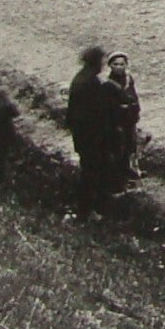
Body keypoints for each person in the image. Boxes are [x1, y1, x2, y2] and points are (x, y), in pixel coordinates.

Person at [67, 45, 119, 214]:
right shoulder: (90, 83)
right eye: (102, 62)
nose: (103, 65)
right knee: (94, 173)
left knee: (90, 171)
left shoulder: (82, 79)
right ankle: (91, 210)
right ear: (96, 62)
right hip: (92, 137)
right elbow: (98, 113)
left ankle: (89, 209)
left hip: (84, 137)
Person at [105, 51, 142, 182]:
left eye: (122, 64)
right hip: (116, 121)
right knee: (118, 147)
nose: (119, 67)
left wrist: (135, 110)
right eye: (116, 64)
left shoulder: (128, 79)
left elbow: (134, 96)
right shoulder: (108, 84)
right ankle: (119, 175)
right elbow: (108, 105)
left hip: (129, 118)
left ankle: (132, 169)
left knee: (131, 144)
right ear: (110, 66)